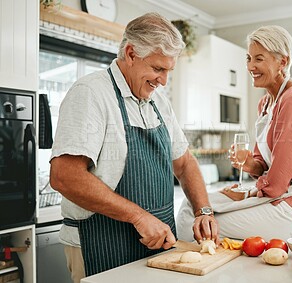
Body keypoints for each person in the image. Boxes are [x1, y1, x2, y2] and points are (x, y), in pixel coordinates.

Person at [49, 12, 219, 283]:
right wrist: (138, 216)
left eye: (167, 71)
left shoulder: (158, 102)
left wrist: (203, 210)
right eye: (157, 69)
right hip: (101, 244)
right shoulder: (91, 93)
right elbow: (64, 176)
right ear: (130, 53)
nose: (162, 80)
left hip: (158, 246)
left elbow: (185, 164)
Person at [177, 25, 292, 242]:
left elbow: (277, 182)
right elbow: (264, 167)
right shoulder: (266, 103)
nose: (251, 66)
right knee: (194, 205)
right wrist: (250, 164)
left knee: (196, 224)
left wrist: (245, 193)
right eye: (249, 58)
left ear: (283, 62)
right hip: (279, 196)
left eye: (259, 59)